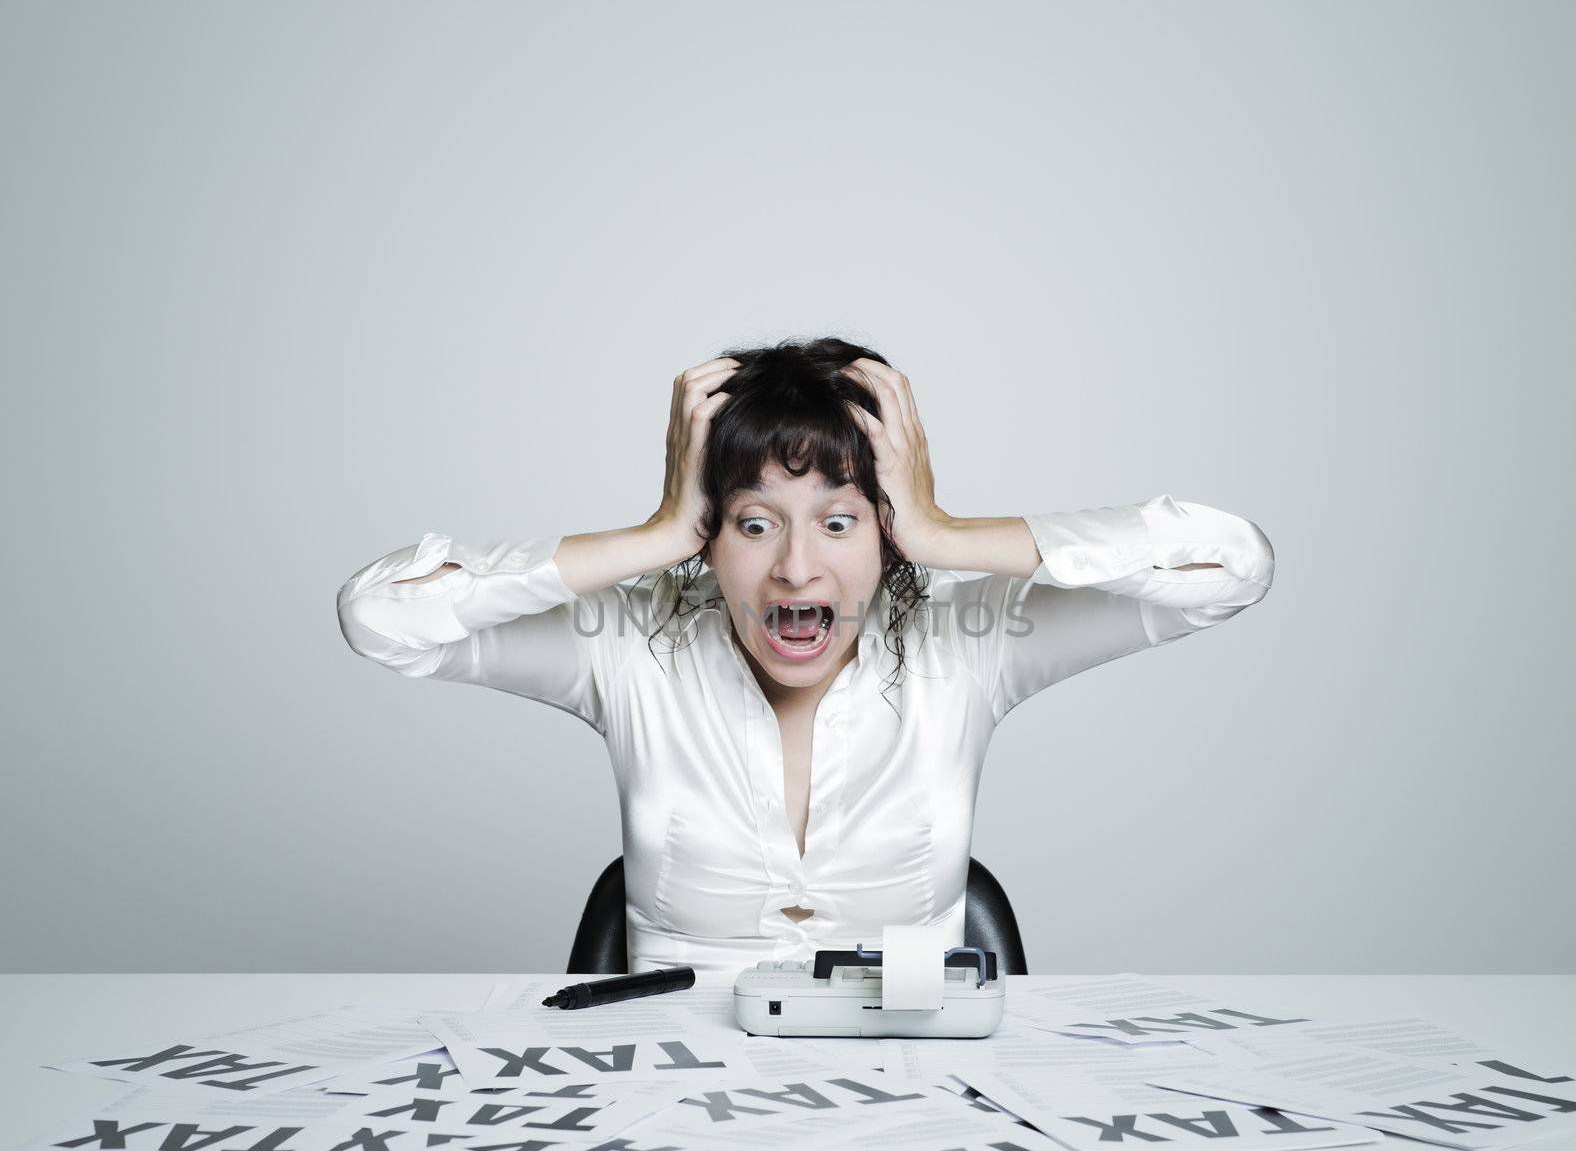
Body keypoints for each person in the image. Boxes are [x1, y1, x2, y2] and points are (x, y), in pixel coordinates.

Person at [336, 338, 1276, 980]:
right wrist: (655, 531)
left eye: (839, 521)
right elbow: (383, 616)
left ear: (885, 532)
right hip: (666, 1116)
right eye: (753, 523)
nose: (795, 566)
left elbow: (1230, 566)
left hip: (921, 1112)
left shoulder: (967, 648)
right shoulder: (629, 648)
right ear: (710, 537)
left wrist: (945, 536)